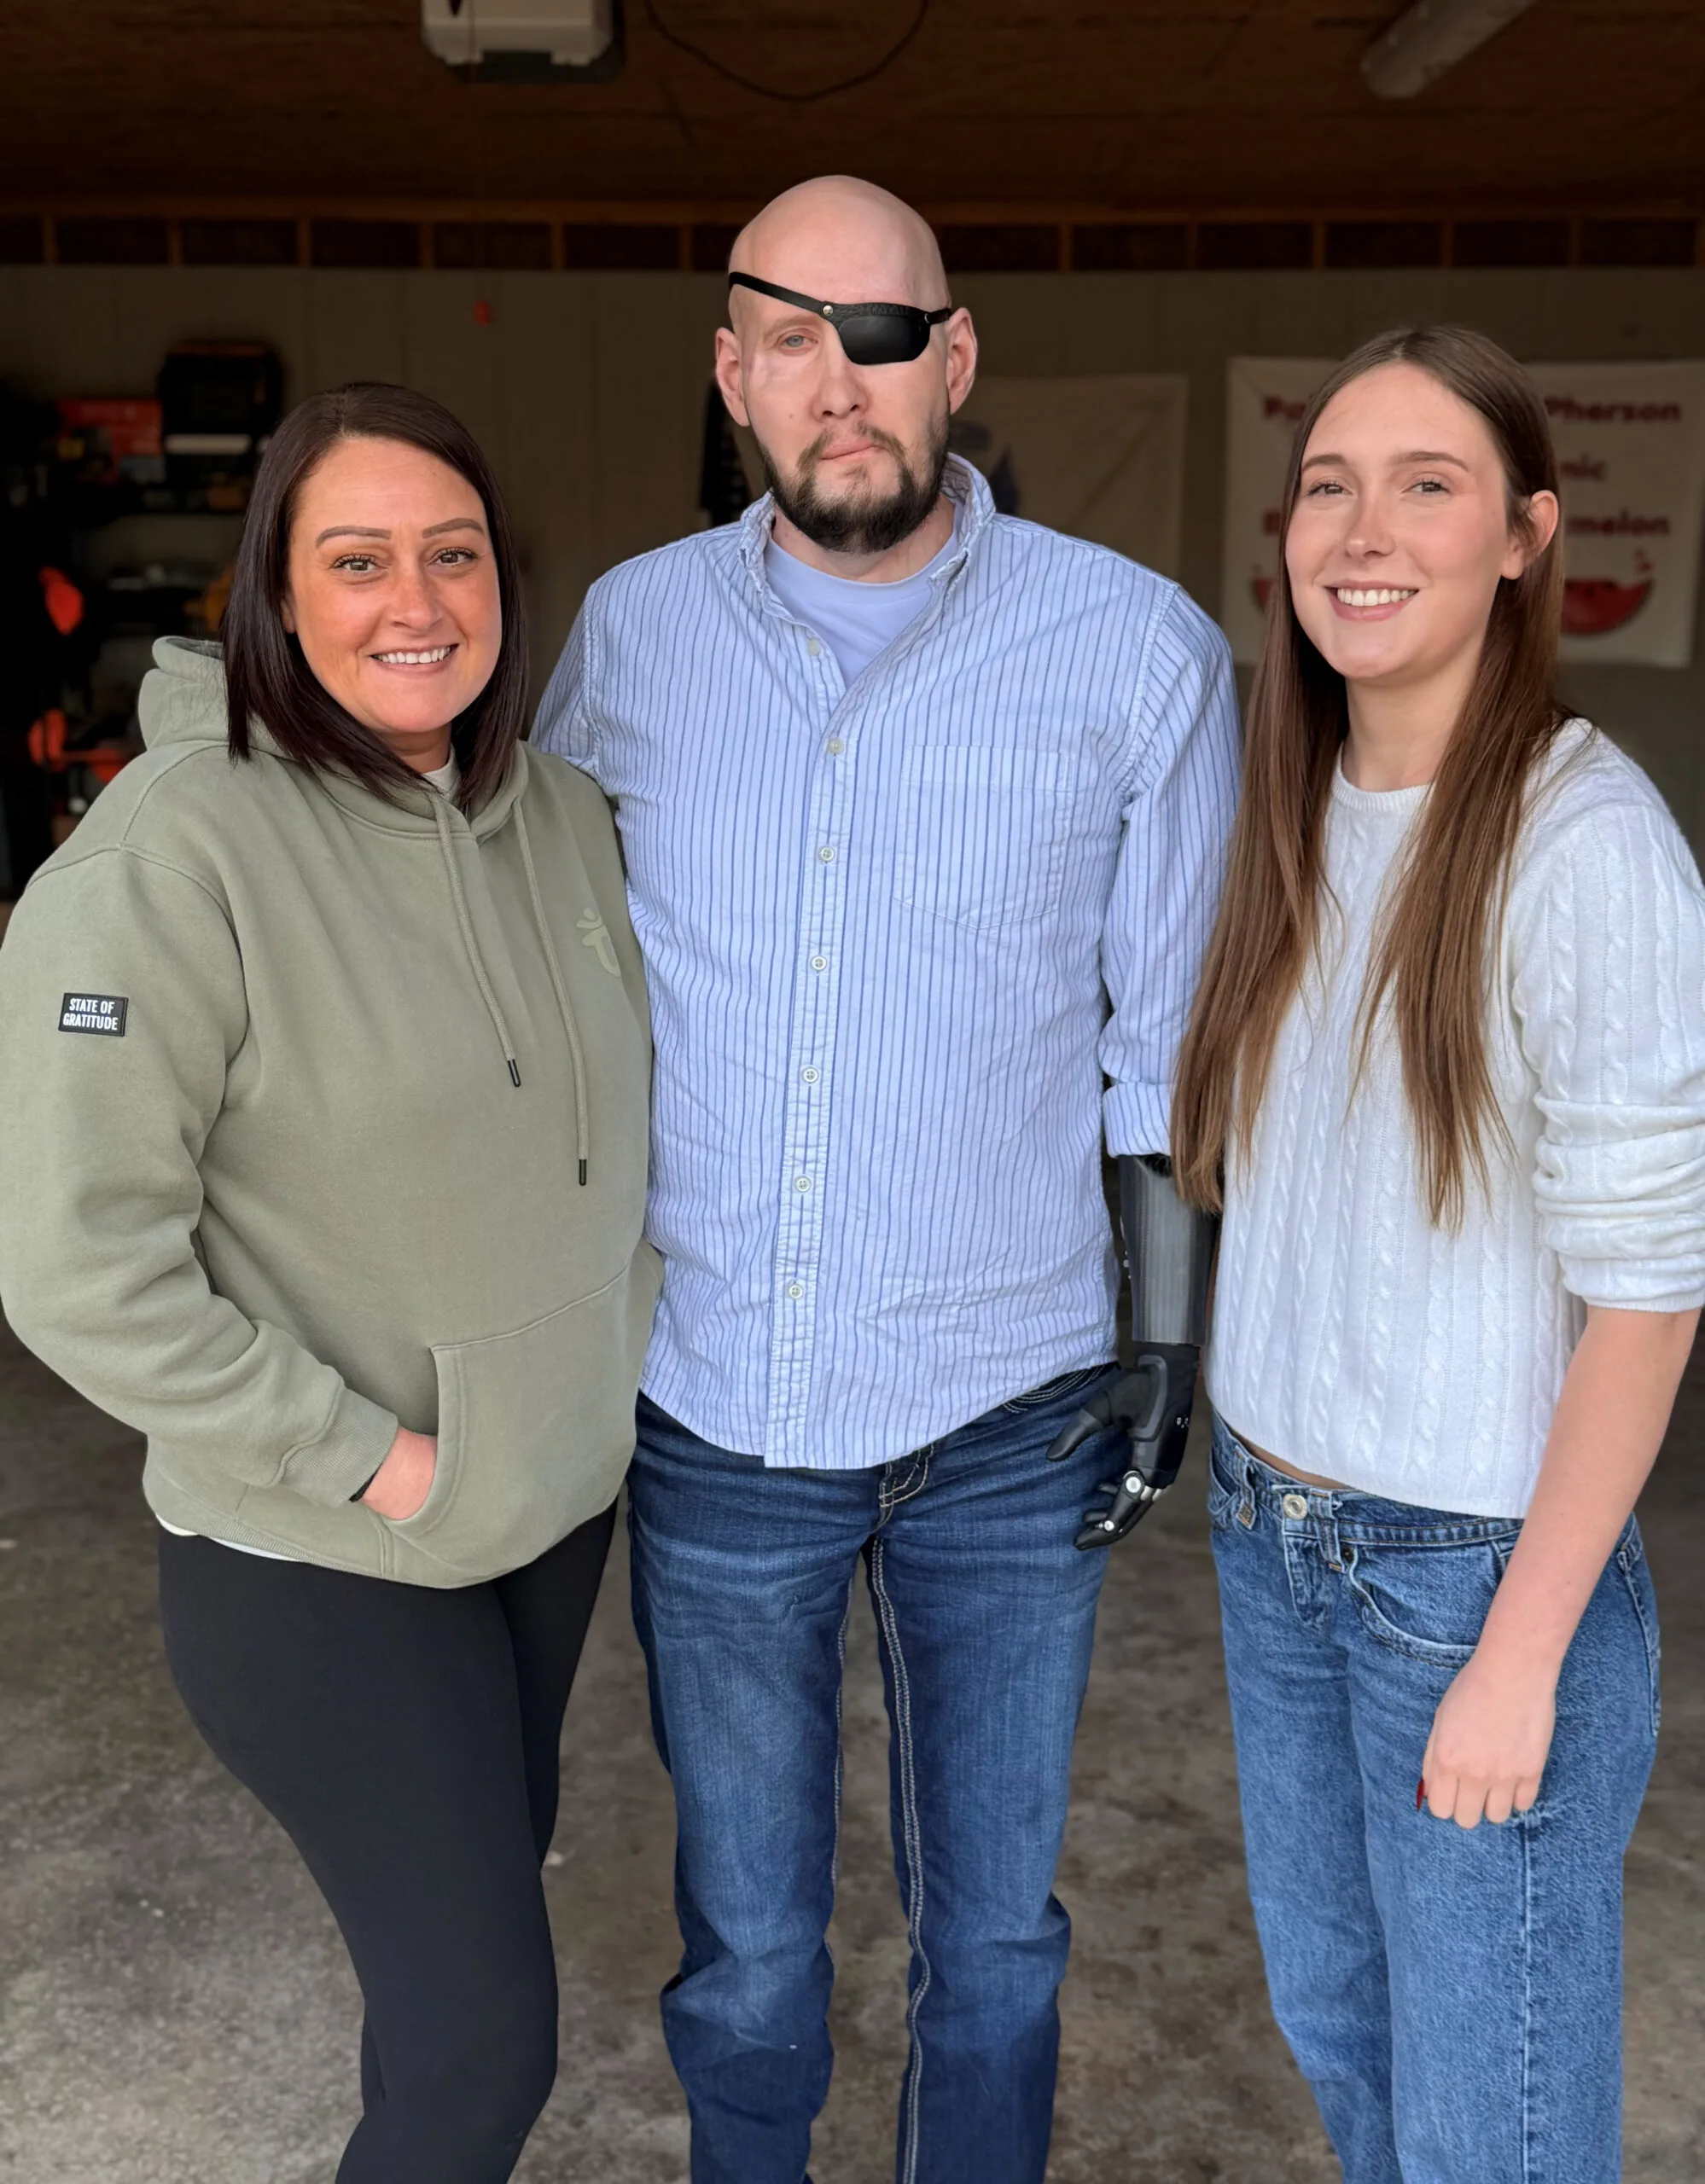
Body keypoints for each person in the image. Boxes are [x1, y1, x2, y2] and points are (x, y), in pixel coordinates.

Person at [533, 174, 1238, 2184]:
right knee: (750, 1947)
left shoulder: (1137, 651)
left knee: (996, 1943)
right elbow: (556, 986)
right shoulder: (629, 640)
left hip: (1012, 1410)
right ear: (734, 371)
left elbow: (1168, 1035)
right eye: (793, 337)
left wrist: (1166, 1332)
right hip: (718, 1411)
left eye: (886, 336)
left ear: (957, 362)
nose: (844, 385)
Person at [0, 383, 660, 2184]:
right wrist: (374, 1455)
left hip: (540, 1524)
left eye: (452, 553)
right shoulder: (169, 856)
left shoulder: (565, 818)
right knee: (480, 2057)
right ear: (275, 598)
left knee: (443, 1984)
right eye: (354, 559)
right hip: (329, 1554)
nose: (415, 599)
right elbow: (75, 1265)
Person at [1172, 326, 1705, 2182]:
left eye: (1428, 484)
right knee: (1353, 2050)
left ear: (1525, 537)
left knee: (1497, 2137)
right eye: (1330, 483)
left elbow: (1650, 1291)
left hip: (1463, 1584)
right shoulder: (1291, 801)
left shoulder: (1587, 844)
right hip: (1273, 1536)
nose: (1363, 526)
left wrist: (1523, 1653)